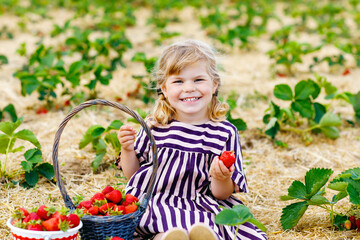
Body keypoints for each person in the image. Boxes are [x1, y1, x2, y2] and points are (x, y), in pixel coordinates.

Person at [117, 39, 267, 240]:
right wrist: (127, 150)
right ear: (164, 88)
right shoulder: (154, 126)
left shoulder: (224, 132)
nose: (189, 88)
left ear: (214, 84)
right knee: (145, 218)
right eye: (178, 81)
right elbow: (133, 174)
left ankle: (196, 236)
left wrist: (221, 177)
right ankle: (167, 237)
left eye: (198, 80)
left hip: (201, 205)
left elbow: (221, 194)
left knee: (213, 224)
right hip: (155, 201)